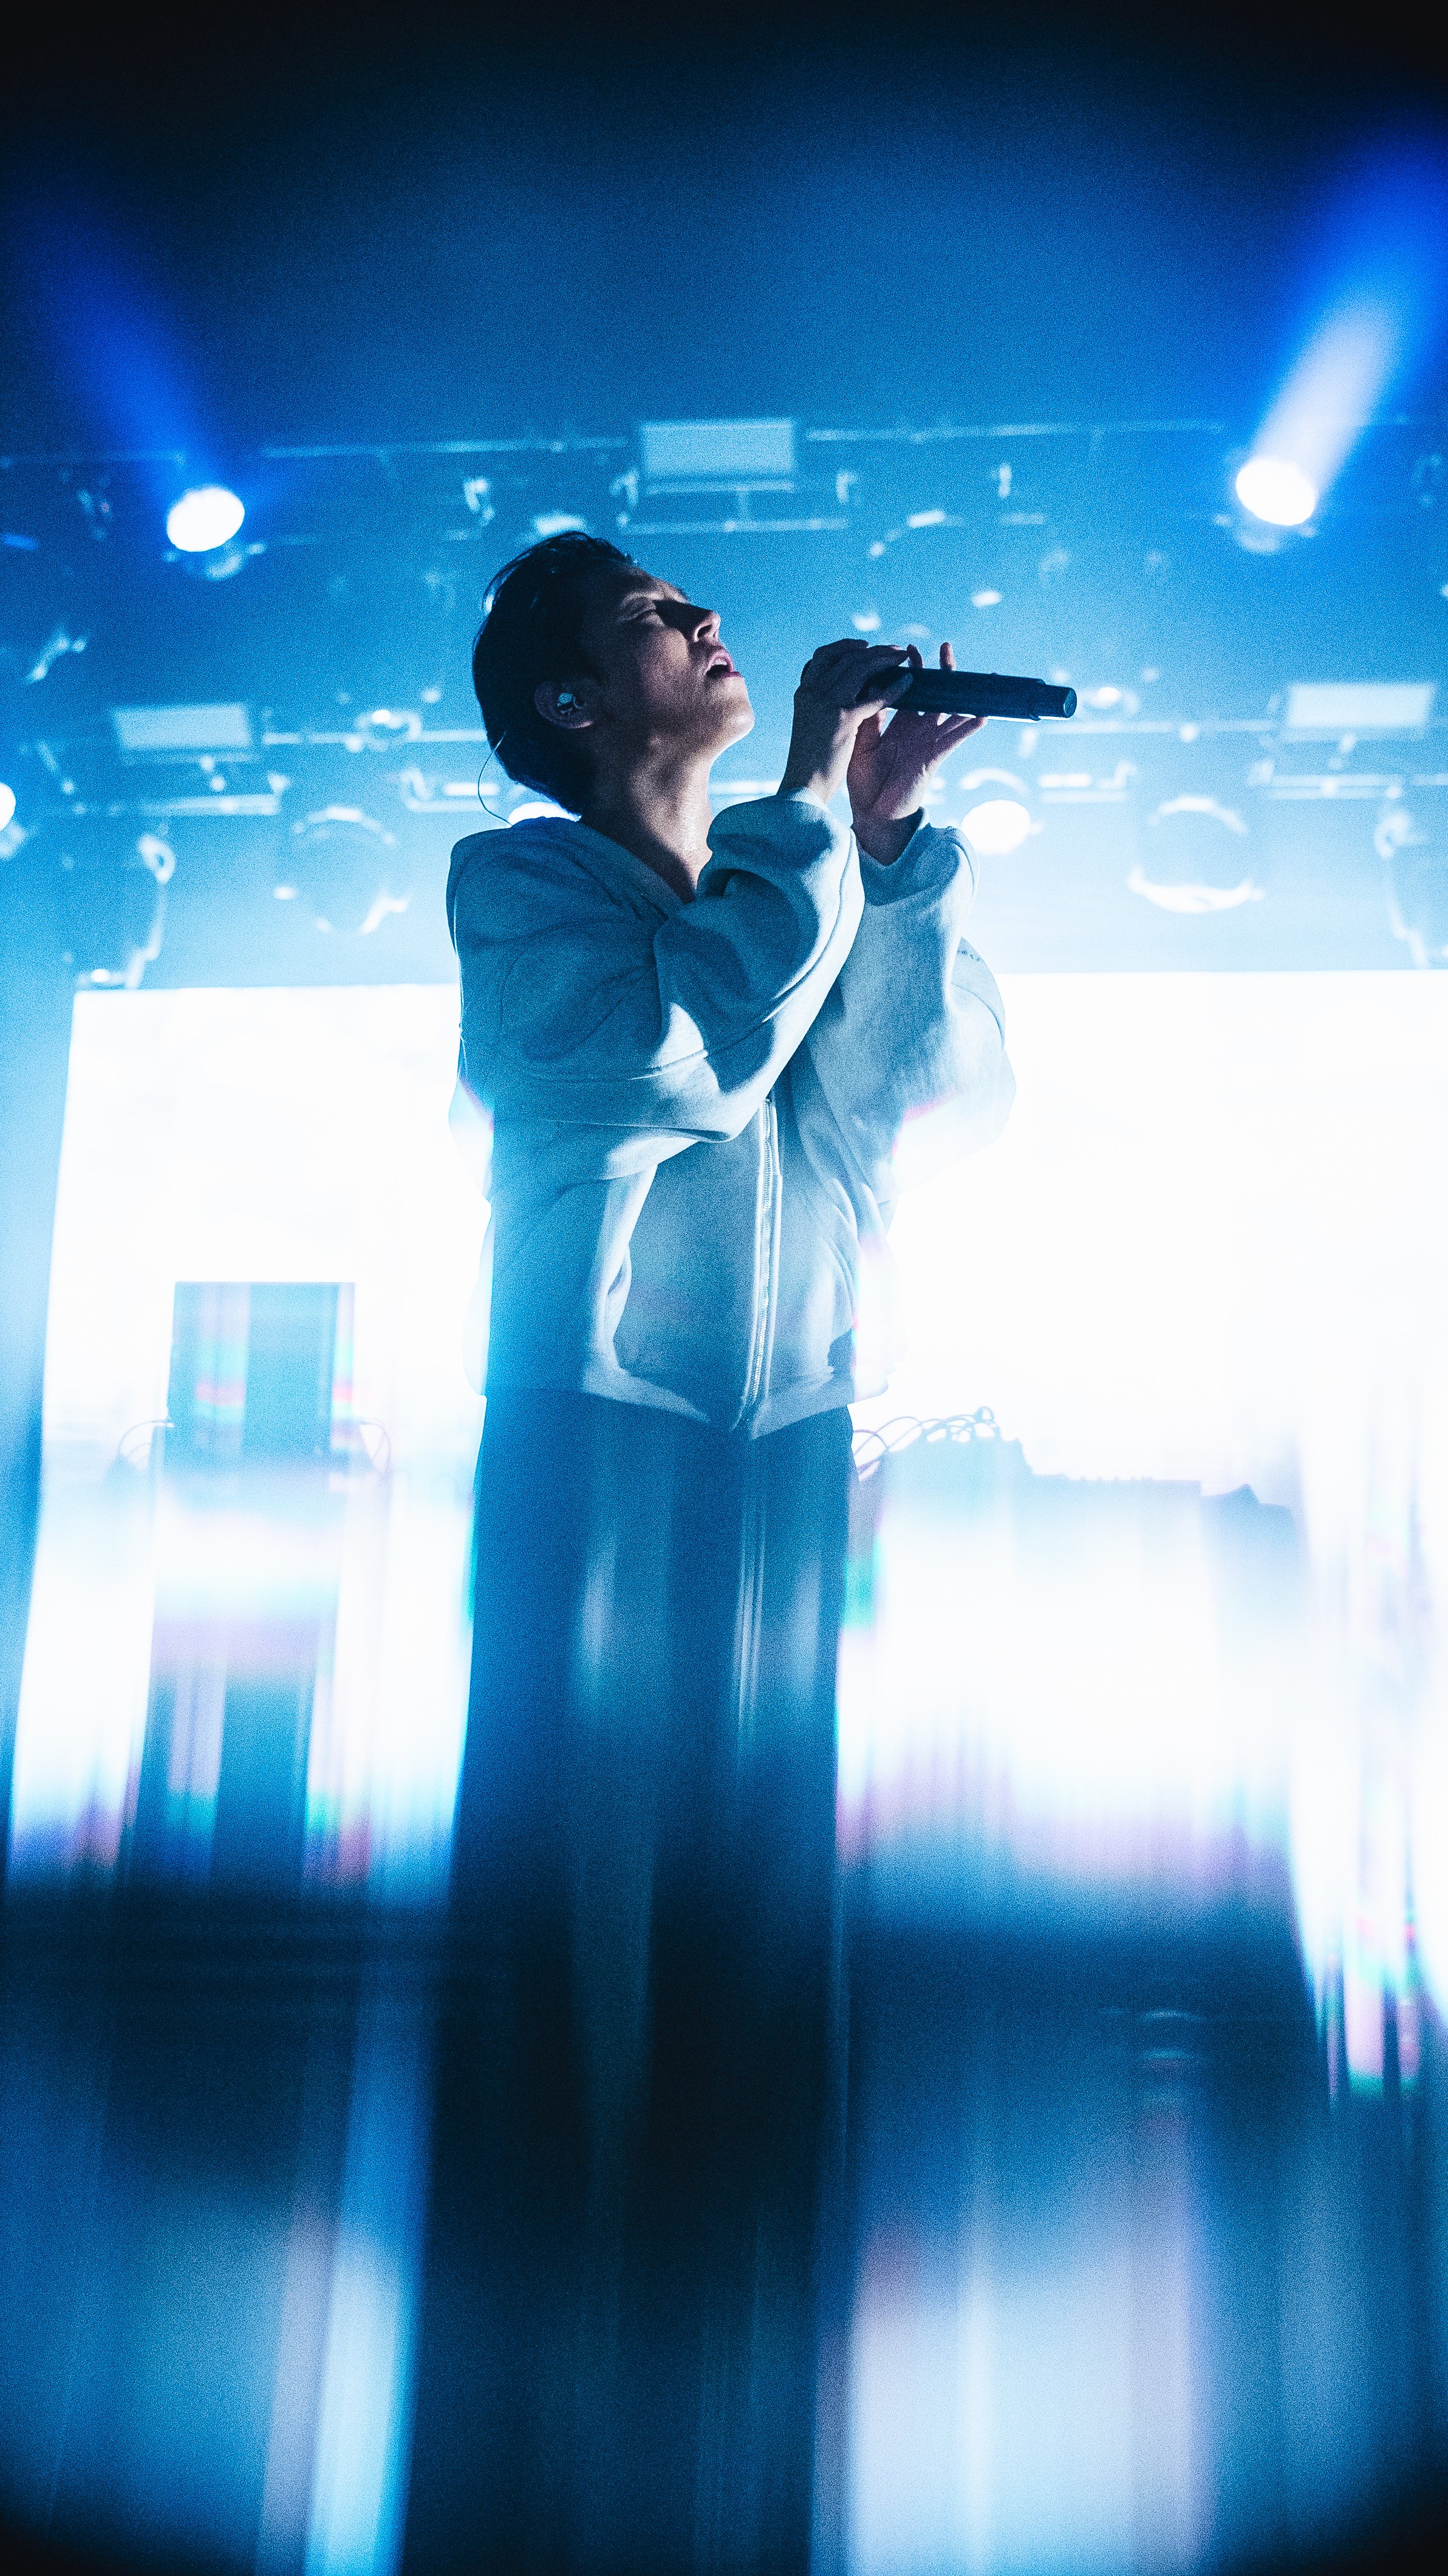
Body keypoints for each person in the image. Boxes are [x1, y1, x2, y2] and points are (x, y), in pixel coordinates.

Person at [405, 533, 1014, 2575]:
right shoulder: (529, 887)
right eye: (658, 616)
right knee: (579, 1949)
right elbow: (680, 1059)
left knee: (763, 1946)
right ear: (573, 703)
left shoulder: (801, 880)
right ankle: (526, 2438)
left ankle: (746, 2438)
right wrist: (806, 825)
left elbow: (899, 1110)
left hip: (784, 1451)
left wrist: (895, 851)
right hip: (597, 1448)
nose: (707, 625)